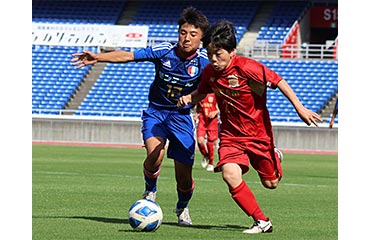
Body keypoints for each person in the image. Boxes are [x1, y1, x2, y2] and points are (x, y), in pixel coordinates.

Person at [177, 20, 322, 234]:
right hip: (230, 135)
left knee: (271, 183)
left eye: (219, 54)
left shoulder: (247, 67)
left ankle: (274, 155)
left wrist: (300, 108)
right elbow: (204, 91)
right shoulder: (210, 72)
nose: (214, 60)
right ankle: (261, 221)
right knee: (229, 174)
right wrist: (190, 97)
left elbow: (279, 81)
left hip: (258, 135)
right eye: (210, 55)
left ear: (232, 51)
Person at [70, 6, 210, 226]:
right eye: (183, 32)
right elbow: (128, 55)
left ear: (201, 38)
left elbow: (212, 87)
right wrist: (98, 57)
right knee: (155, 154)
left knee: (184, 176)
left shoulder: (204, 61)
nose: (186, 38)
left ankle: (182, 208)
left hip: (182, 117)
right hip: (156, 113)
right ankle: (150, 191)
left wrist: (193, 98)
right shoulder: (164, 51)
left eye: (193, 34)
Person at [193, 93, 219, 171]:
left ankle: (211, 163)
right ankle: (206, 155)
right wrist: (196, 115)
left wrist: (215, 112)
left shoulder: (214, 94)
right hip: (202, 121)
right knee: (200, 141)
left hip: (212, 122)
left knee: (210, 143)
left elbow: (221, 106)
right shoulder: (201, 93)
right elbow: (198, 108)